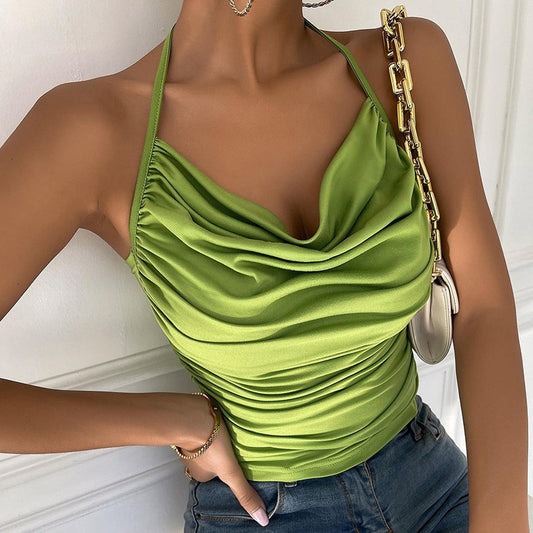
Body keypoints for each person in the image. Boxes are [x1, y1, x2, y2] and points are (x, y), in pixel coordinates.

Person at [1, 1, 528, 532]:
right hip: (261, 512)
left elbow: (482, 309)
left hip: (435, 489)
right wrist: (172, 420)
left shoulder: (404, 61)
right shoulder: (93, 130)